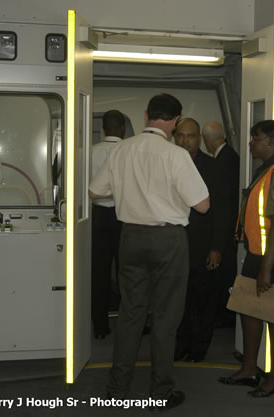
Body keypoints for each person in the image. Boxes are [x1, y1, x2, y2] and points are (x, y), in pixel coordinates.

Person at [89, 94, 210, 410]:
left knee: (130, 314)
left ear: (146, 115)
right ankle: (161, 390)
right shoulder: (176, 155)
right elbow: (203, 204)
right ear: (174, 121)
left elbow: (95, 190)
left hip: (130, 237)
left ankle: (117, 389)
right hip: (168, 240)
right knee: (166, 316)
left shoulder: (121, 151)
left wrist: (131, 190)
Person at [218, 120, 274, 397]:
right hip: (257, 253)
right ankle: (249, 369)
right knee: (248, 308)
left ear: (271, 142)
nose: (251, 143)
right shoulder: (265, 170)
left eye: (255, 138)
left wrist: (267, 270)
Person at [173, 118, 219, 362]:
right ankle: (180, 345)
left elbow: (222, 211)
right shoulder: (168, 162)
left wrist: (217, 247)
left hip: (203, 244)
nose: (184, 140)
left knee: (202, 298)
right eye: (180, 135)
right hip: (175, 243)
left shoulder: (211, 167)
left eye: (190, 136)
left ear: (199, 138)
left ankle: (199, 347)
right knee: (178, 300)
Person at [90, 110, 126, 339]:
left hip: (99, 218)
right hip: (125, 216)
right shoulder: (129, 151)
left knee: (99, 274)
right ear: (122, 128)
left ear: (103, 129)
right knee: (128, 273)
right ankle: (129, 324)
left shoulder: (89, 152)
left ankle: (100, 326)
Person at [201, 121, 240, 328]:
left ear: (206, 140)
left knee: (225, 275)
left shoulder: (223, 162)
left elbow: (223, 201)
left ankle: (224, 317)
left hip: (225, 228)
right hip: (228, 226)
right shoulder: (230, 157)